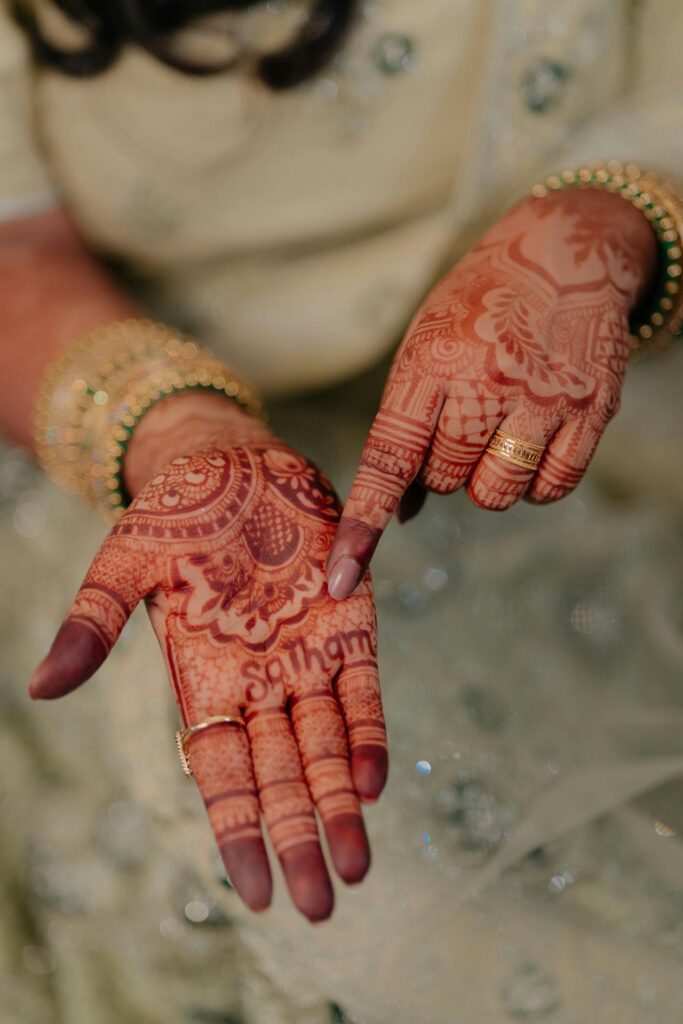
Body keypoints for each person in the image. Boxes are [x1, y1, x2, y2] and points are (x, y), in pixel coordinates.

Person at [2, 2, 683, 1021]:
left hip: (610, 406)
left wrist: (603, 215)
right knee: (379, 873)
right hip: (187, 434)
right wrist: (176, 433)